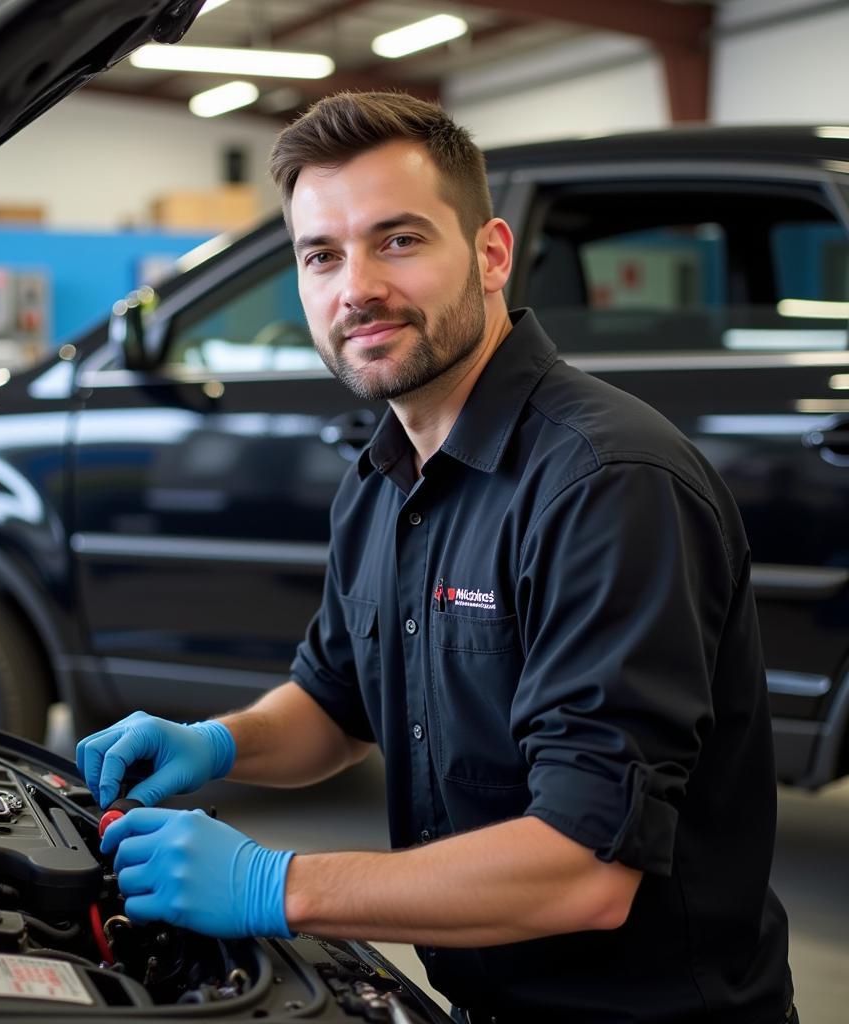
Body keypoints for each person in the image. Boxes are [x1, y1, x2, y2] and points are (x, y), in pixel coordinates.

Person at [80, 93, 794, 1022]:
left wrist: (275, 883)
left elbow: (585, 872)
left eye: (399, 240)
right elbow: (335, 708)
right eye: (321, 255)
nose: (356, 287)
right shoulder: (382, 480)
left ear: (492, 254)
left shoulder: (607, 483)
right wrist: (219, 744)